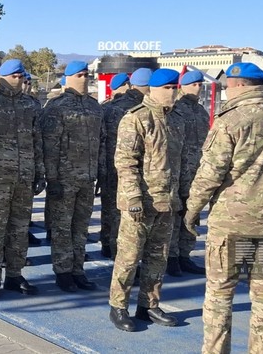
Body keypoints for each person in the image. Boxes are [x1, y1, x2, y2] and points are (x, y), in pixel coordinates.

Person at [184, 63, 263, 354]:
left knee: (219, 294)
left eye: (228, 84)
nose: (227, 89)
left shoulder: (230, 121)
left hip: (231, 226)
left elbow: (210, 174)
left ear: (239, 85)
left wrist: (192, 211)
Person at [108, 68, 184, 332]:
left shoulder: (177, 120)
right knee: (128, 258)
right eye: (167, 88)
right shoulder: (136, 119)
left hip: (167, 201)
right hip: (139, 203)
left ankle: (148, 306)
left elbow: (179, 163)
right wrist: (134, 197)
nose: (173, 92)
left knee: (157, 257)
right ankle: (118, 306)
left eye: (175, 87)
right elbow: (126, 162)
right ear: (153, 89)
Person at [0, 59, 46, 299]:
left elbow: (37, 142)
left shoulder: (31, 105)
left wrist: (40, 173)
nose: (19, 80)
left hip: (24, 177)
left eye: (21, 76)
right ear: (4, 76)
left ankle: (15, 275)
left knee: (19, 229)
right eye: (14, 76)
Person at [41, 60, 105, 293]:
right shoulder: (57, 107)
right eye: (79, 74)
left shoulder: (95, 106)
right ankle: (63, 271)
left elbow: (102, 141)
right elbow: (49, 145)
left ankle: (78, 269)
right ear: (68, 77)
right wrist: (53, 178)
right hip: (64, 178)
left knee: (81, 228)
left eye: (87, 74)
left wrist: (100, 172)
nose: (85, 78)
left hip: (87, 178)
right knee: (61, 227)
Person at [166, 70, 209, 276]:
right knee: (175, 216)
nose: (198, 88)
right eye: (193, 85)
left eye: (200, 85)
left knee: (192, 216)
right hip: (178, 171)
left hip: (196, 173)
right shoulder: (176, 110)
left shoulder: (201, 112)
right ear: (183, 86)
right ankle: (171, 257)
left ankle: (185, 254)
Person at [99, 72, 138, 259]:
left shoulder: (105, 108)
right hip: (124, 165)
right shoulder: (132, 108)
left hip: (108, 164)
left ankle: (107, 242)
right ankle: (115, 247)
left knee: (109, 207)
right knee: (119, 212)